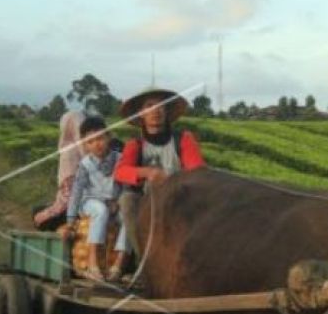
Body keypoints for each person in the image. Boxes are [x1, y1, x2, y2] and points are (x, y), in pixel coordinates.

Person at [113, 87, 207, 261]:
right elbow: (120, 172)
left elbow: (198, 171)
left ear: (166, 111)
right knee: (126, 201)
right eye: (149, 106)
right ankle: (144, 259)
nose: (156, 110)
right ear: (141, 113)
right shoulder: (136, 145)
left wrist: (174, 181)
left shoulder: (183, 139)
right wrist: (147, 172)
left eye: (161, 106)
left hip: (179, 198)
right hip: (146, 201)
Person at [60, 116, 128, 281]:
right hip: (90, 202)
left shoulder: (120, 159)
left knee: (129, 217)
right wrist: (70, 220)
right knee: (100, 210)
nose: (96, 144)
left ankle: (118, 265)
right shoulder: (85, 164)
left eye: (100, 138)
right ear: (85, 144)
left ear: (108, 137)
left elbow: (125, 186)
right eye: (90, 141)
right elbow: (77, 192)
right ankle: (92, 265)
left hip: (113, 202)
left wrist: (118, 201)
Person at [32, 110, 85, 230]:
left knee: (37, 214)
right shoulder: (90, 147)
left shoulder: (69, 152)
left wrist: (51, 212)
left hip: (77, 210)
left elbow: (69, 195)